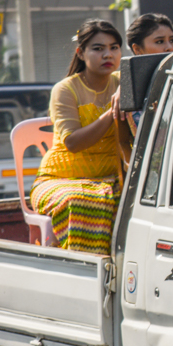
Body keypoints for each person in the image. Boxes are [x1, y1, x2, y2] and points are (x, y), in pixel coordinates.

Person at [30, 20, 126, 254]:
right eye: (98, 48)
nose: (108, 54)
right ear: (80, 53)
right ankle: (85, 269)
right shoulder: (65, 89)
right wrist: (112, 112)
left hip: (112, 175)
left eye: (114, 47)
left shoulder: (124, 82)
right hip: (62, 179)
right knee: (79, 201)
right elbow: (72, 142)